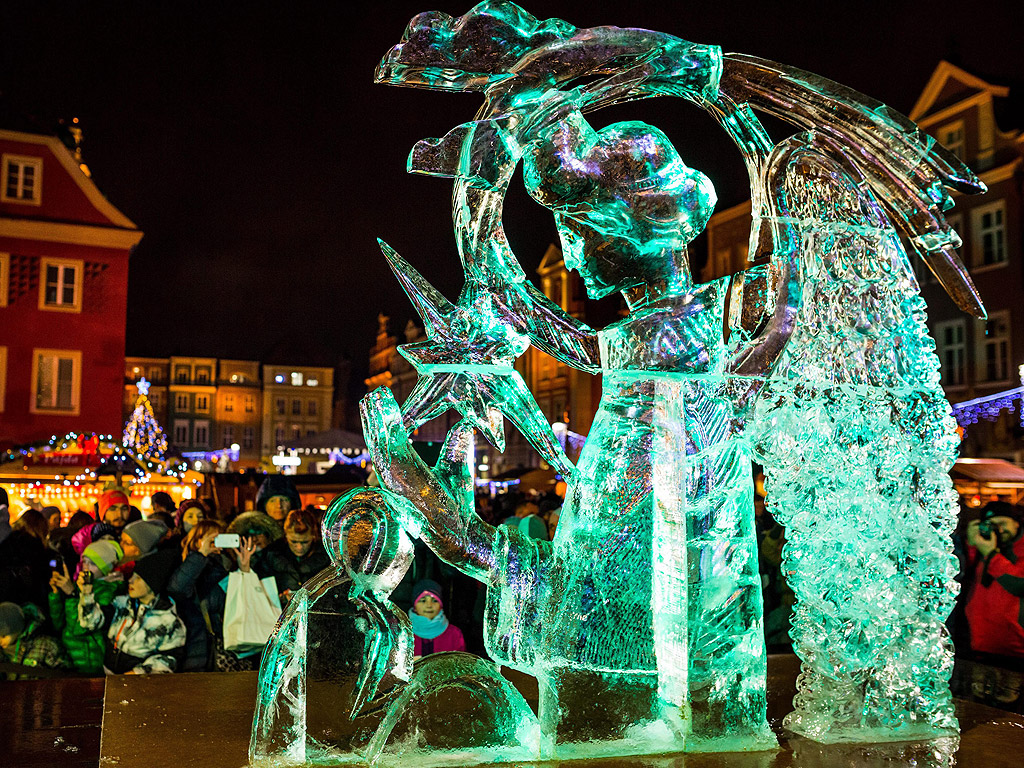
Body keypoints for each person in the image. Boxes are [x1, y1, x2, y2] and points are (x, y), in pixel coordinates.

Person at [78, 548, 186, 674]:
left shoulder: (169, 620)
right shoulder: (122, 605)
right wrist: (86, 594)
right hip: (110, 678)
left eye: (138, 578)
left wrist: (137, 673)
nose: (131, 580)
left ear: (154, 584)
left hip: (136, 688)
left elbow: (169, 660)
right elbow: (89, 623)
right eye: (132, 576)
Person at [48, 540, 125, 675]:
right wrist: (56, 595)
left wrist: (72, 595)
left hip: (91, 662)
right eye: (84, 561)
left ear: (106, 567)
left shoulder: (110, 591)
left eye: (93, 564)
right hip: (71, 658)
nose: (86, 567)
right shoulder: (82, 585)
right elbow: (58, 624)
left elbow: (79, 628)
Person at [965, 501, 1024, 662]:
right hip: (980, 645)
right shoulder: (985, 543)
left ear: (1016, 523)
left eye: (1003, 523)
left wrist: (991, 554)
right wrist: (970, 545)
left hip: (1016, 651)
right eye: (991, 524)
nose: (999, 529)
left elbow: (1019, 585)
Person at [167, 520, 228, 672]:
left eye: (219, 538)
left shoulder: (221, 566)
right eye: (211, 539)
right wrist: (201, 554)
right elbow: (177, 588)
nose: (215, 543)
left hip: (215, 645)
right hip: (193, 644)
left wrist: (243, 565)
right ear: (197, 541)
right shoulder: (188, 564)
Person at [257, 509, 330, 605]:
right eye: (294, 541)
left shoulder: (327, 556)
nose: (299, 547)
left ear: (313, 536)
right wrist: (278, 598)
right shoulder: (271, 554)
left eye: (305, 542)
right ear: (286, 535)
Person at [1, 601, 68, 679]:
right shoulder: (2, 653)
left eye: (3, 636)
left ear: (17, 629)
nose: (0, 641)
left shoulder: (45, 645)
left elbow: (64, 676)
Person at [408, 579, 465, 657]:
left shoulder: (454, 634)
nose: (429, 605)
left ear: (441, 605)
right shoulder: (403, 634)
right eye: (423, 600)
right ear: (414, 606)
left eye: (435, 600)